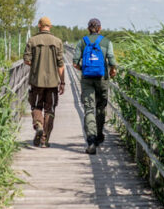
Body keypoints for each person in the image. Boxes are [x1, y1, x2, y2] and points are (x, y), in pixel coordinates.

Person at [73, 18, 117, 155]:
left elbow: (75, 62)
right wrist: (112, 70)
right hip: (102, 79)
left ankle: (91, 140)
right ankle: (98, 135)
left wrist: (84, 69)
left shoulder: (82, 41)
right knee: (101, 108)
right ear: (100, 28)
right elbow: (111, 60)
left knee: (89, 109)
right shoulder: (106, 42)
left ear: (88, 28)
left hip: (87, 79)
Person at [23, 16, 65, 148]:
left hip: (36, 81)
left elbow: (26, 60)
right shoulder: (57, 42)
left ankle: (38, 125)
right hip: (52, 83)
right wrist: (62, 82)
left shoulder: (33, 40)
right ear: (50, 27)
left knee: (36, 106)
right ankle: (45, 140)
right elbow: (60, 64)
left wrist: (36, 65)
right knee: (50, 110)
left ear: (39, 26)